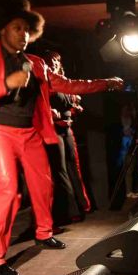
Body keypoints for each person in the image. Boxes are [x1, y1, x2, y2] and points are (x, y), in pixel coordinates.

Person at [0, 0, 122, 275]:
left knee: (44, 184)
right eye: (17, 28)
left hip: (30, 133)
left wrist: (105, 84)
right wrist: (5, 83)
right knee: (7, 191)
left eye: (26, 29)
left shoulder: (35, 63)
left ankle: (44, 233)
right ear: (2, 29)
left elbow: (67, 85)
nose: (23, 34)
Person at [42, 51, 93, 223]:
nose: (54, 63)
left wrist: (74, 109)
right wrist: (51, 114)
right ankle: (70, 211)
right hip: (53, 129)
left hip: (67, 129)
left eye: (56, 60)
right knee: (61, 170)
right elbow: (38, 107)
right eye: (50, 60)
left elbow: (69, 105)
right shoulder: (44, 82)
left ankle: (82, 206)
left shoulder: (63, 81)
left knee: (74, 167)